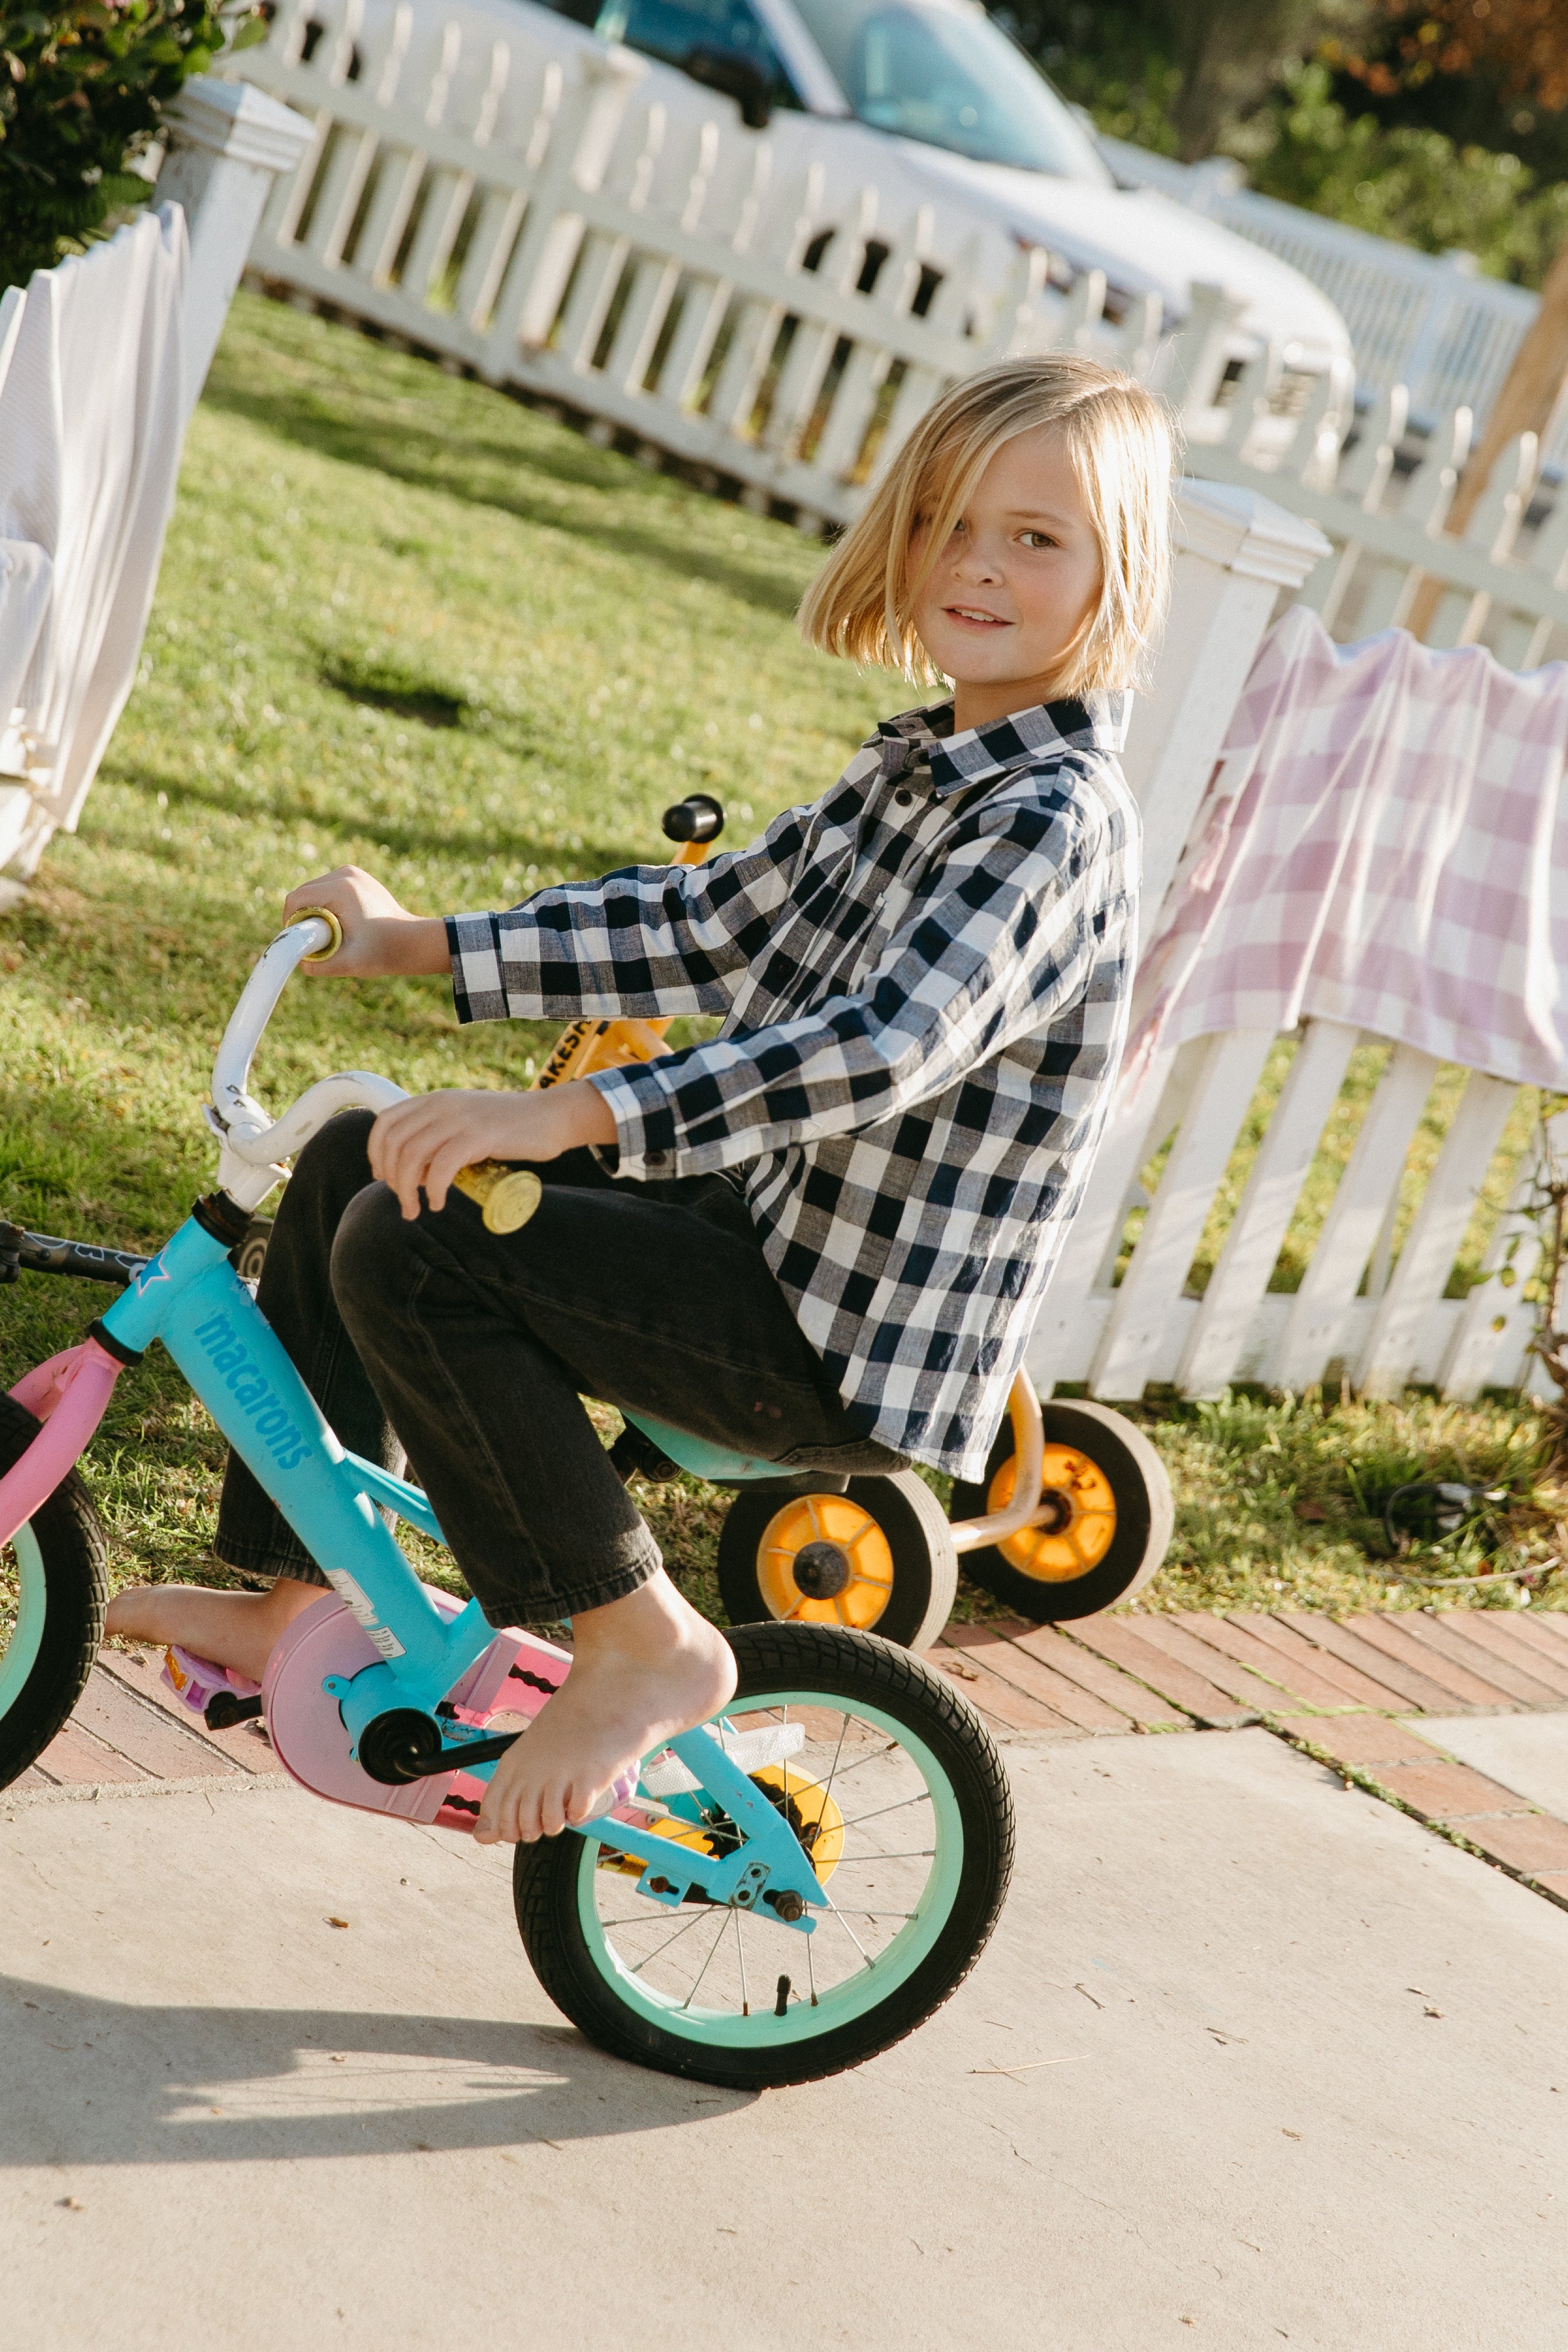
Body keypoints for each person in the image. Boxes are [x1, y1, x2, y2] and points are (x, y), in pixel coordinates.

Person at [106, 353, 1173, 1845]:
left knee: (419, 1256)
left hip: (835, 1336)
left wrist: (565, 1117)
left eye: (1037, 538)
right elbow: (706, 923)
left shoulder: (1049, 822)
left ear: (1118, 575)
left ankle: (634, 1637)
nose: (977, 565)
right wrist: (420, 942)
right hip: (759, 1238)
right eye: (947, 520)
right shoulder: (924, 767)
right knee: (361, 1159)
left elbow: (879, 1046)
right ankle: (300, 1589)